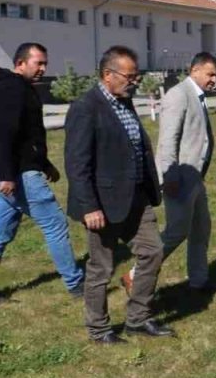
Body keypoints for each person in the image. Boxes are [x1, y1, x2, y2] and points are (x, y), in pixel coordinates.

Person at [64, 46, 170, 343]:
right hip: (103, 203)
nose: (134, 81)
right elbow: (77, 163)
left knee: (152, 252)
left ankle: (138, 319)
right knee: (102, 268)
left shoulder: (124, 101)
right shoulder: (86, 107)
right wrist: (89, 206)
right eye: (129, 76)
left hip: (136, 197)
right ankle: (98, 329)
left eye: (136, 76)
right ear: (108, 74)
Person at [123, 53, 216, 296]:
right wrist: (169, 176)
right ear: (195, 70)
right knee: (176, 231)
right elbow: (168, 140)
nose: (214, 80)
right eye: (210, 74)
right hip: (179, 178)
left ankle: (199, 281)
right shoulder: (179, 94)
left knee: (201, 229)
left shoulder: (197, 95)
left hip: (195, 176)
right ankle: (135, 276)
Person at [0, 43, 84, 295]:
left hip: (20, 171)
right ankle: (76, 284)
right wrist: (5, 175)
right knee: (55, 225)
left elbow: (28, 136)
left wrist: (45, 164)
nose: (43, 69)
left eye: (45, 63)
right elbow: (4, 133)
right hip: (20, 175)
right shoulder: (13, 88)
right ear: (20, 63)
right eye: (38, 63)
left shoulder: (23, 88)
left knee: (1, 232)